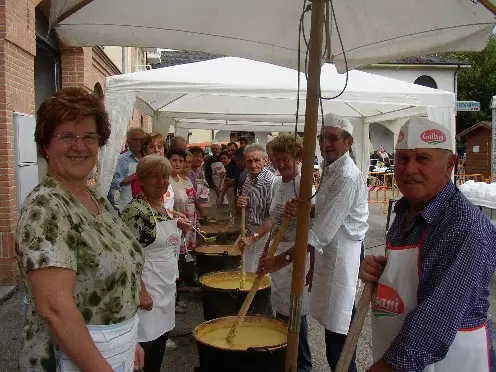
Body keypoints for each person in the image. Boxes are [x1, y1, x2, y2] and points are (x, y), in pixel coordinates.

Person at [16, 87, 145, 371]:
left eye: (89, 137)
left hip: (110, 351)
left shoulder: (94, 197)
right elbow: (54, 309)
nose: (80, 146)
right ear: (45, 145)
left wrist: (128, 339)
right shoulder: (46, 207)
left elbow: (111, 280)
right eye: (66, 136)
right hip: (66, 361)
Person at [360, 116, 496, 372]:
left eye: (422, 159)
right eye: (403, 159)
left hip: (452, 361)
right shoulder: (404, 213)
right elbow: (411, 280)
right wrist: (379, 273)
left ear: (450, 165)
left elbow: (433, 323)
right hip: (399, 351)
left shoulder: (465, 226)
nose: (410, 169)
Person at [260, 113, 369, 372]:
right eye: (322, 138)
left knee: (338, 339)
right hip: (327, 255)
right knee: (331, 332)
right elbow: (319, 213)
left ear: (348, 141)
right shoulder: (331, 169)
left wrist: (279, 260)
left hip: (343, 257)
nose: (325, 144)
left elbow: (318, 235)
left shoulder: (347, 176)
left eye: (333, 138)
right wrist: (302, 209)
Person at [238, 133, 313, 372]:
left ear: (298, 157)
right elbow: (273, 219)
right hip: (276, 250)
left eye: (286, 160)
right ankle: (283, 357)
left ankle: (302, 364)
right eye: (277, 160)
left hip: (296, 253)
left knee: (294, 310)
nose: (281, 165)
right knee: (279, 307)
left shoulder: (305, 184)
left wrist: (303, 211)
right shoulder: (280, 183)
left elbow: (315, 225)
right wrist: (264, 249)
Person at [122, 155, 190, 371]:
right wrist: (141, 292)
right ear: (141, 180)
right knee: (145, 351)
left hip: (166, 288)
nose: (162, 182)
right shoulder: (135, 212)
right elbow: (126, 258)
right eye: (155, 177)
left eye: (165, 176)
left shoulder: (162, 208)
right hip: (148, 289)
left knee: (159, 346)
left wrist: (177, 223)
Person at [237, 143, 276, 272]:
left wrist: (253, 238)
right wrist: (244, 204)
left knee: (258, 274)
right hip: (251, 232)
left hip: (265, 235)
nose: (253, 165)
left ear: (265, 161)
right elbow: (247, 210)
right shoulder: (248, 178)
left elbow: (273, 217)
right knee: (248, 270)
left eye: (257, 160)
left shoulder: (271, 182)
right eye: (249, 161)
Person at [167, 148, 199, 286]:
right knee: (176, 253)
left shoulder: (180, 179)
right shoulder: (166, 180)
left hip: (183, 220)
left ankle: (184, 280)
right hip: (171, 222)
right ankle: (178, 284)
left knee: (184, 251)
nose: (178, 164)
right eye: (174, 160)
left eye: (181, 161)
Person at [130, 133, 176, 214]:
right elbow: (145, 207)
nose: (156, 149)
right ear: (144, 151)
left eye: (160, 147)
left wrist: (175, 214)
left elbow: (165, 205)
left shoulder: (166, 174)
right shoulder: (140, 176)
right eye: (151, 147)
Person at [109, 127, 146, 212]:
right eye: (135, 139)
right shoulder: (121, 159)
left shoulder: (148, 158)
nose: (138, 142)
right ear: (128, 141)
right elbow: (110, 184)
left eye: (141, 139)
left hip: (146, 208)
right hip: (125, 207)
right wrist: (127, 179)